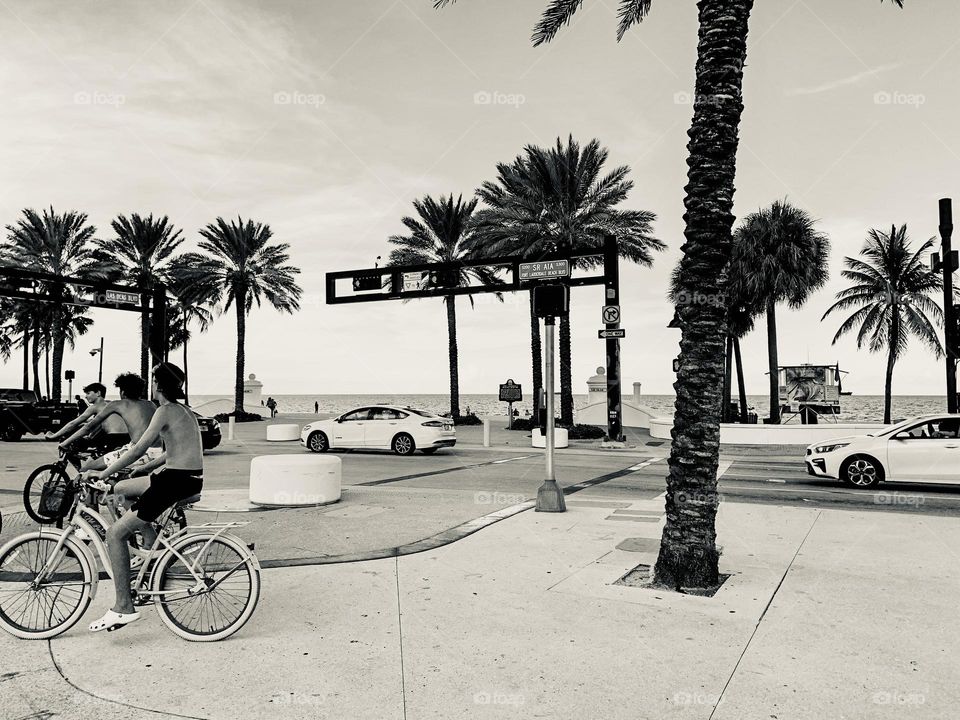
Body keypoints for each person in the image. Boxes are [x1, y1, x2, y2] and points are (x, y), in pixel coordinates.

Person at [85, 362, 203, 633]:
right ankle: (150, 547)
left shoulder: (164, 410)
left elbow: (139, 448)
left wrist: (104, 474)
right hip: (184, 477)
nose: (150, 385)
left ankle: (123, 607)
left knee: (114, 534)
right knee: (121, 489)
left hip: (174, 482)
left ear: (158, 385)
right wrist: (147, 468)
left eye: (153, 381)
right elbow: (175, 449)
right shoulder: (185, 411)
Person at [59, 373, 160, 472]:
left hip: (138, 450)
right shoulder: (151, 404)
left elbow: (88, 428)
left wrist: (65, 443)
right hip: (157, 451)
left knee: (86, 469)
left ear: (123, 392)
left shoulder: (117, 404)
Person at [47, 382, 129, 455]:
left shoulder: (95, 407)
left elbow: (73, 423)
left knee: (89, 464)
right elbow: (103, 423)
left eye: (88, 393)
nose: (86, 396)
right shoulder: (110, 403)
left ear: (98, 393)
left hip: (113, 438)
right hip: (126, 437)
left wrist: (54, 436)